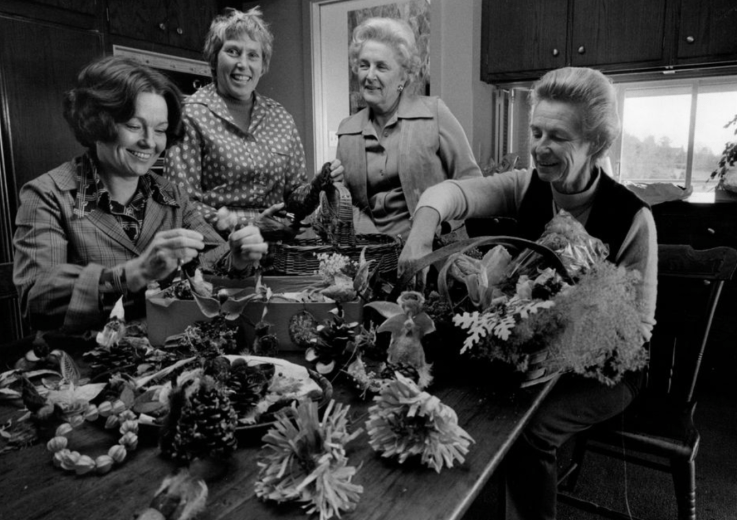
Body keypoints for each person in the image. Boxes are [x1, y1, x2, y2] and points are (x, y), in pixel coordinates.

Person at [398, 67, 658, 520]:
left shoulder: (633, 218)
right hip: (532, 353)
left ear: (595, 143)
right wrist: (421, 233)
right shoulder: (526, 186)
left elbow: (638, 328)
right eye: (536, 131)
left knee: (530, 430)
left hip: (609, 369)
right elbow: (450, 192)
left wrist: (564, 334)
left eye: (557, 136)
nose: (539, 146)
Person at [13, 56, 267, 333]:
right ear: (95, 123)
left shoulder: (171, 195)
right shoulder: (47, 194)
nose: (150, 141)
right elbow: (37, 302)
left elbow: (211, 259)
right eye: (134, 126)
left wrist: (236, 257)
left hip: (165, 348)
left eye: (160, 130)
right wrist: (133, 273)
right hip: (82, 361)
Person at [164, 7, 343, 240]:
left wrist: (318, 183)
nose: (243, 64)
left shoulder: (280, 118)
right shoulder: (191, 115)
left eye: (252, 55)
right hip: (217, 247)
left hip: (279, 249)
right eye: (233, 52)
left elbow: (294, 200)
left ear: (263, 65)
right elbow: (179, 203)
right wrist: (248, 224)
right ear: (214, 58)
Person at [335, 17, 482, 239]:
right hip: (373, 255)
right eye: (364, 65)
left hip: (436, 252)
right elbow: (344, 200)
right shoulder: (347, 130)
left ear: (403, 76)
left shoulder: (434, 114)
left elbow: (471, 182)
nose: (369, 75)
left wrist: (441, 227)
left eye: (381, 67)